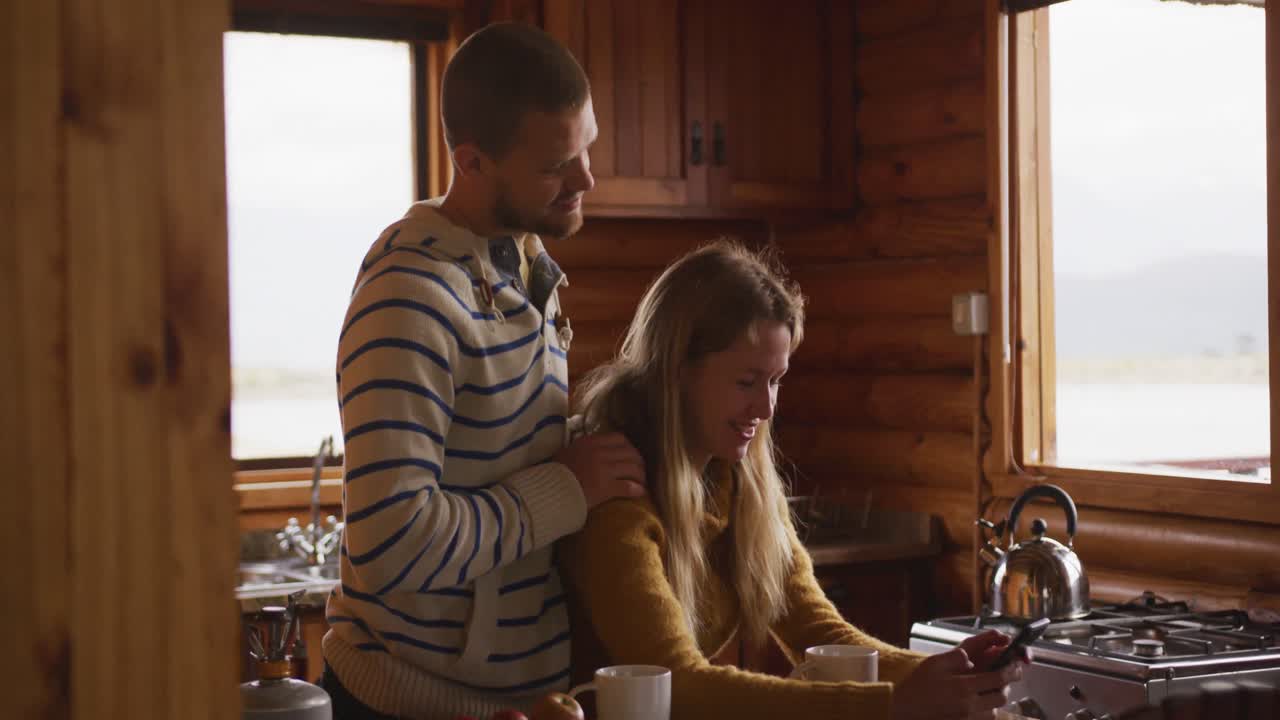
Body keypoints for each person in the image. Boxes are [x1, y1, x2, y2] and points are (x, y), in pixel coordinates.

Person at [322, 22, 646, 720]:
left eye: (588, 144)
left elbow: (499, 453)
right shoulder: (409, 297)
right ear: (471, 162)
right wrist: (567, 488)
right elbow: (391, 548)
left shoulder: (523, 264)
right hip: (407, 705)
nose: (587, 177)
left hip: (517, 702)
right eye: (557, 164)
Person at [559, 240, 1025, 720]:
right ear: (676, 373)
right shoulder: (619, 497)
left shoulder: (737, 481)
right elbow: (680, 685)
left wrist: (949, 673)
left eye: (776, 380)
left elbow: (822, 635)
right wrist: (892, 704)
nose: (765, 409)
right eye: (746, 382)